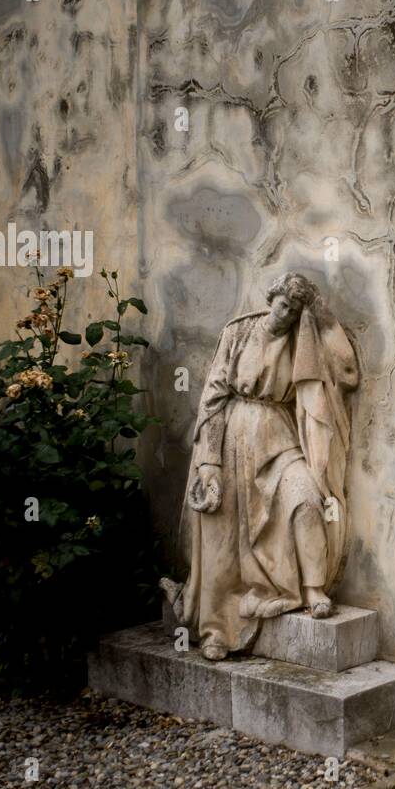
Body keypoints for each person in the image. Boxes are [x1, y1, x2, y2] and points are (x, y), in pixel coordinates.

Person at [162, 272, 359, 660]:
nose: (285, 314)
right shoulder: (238, 333)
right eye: (282, 304)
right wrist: (210, 463)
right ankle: (216, 627)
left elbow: (347, 370)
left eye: (293, 309)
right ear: (271, 299)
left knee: (305, 497)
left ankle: (314, 588)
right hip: (234, 439)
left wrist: (319, 310)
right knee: (222, 532)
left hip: (279, 438)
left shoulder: (304, 341)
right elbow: (213, 399)